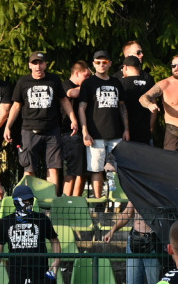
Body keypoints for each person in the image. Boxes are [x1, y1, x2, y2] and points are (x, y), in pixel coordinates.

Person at [4, 51, 78, 186]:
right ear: (29, 65)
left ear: (45, 65)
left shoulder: (54, 80)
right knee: (29, 169)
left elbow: (64, 100)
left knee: (53, 168)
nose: (38, 66)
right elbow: (16, 106)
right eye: (35, 63)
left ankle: (50, 204)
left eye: (41, 63)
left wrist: (73, 119)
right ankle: (29, 203)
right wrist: (8, 127)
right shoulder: (23, 82)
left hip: (52, 131)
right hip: (29, 131)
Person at [77, 50, 129, 201]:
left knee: (117, 169)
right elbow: (81, 108)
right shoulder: (88, 83)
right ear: (93, 64)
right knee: (96, 169)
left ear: (110, 64)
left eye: (104, 62)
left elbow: (122, 107)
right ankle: (99, 201)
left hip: (117, 134)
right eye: (98, 62)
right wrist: (85, 131)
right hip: (95, 134)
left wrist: (126, 129)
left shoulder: (116, 82)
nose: (101, 65)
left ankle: (118, 201)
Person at [140, 55, 178, 151]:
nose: (176, 68)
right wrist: (149, 105)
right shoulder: (165, 84)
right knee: (171, 164)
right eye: (173, 66)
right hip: (173, 134)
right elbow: (143, 98)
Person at [102, 202, 161, 284]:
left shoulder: (155, 193)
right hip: (135, 238)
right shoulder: (135, 190)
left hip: (154, 239)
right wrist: (112, 231)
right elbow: (127, 213)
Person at [60, 62, 91, 197]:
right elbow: (71, 93)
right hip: (69, 133)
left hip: (84, 133)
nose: (88, 78)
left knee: (83, 171)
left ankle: (76, 202)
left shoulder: (85, 87)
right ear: (77, 73)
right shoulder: (66, 84)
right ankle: (65, 203)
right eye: (86, 75)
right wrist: (89, 85)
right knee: (72, 171)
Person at [120, 55, 156, 146]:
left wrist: (125, 129)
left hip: (127, 132)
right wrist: (151, 127)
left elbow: (121, 108)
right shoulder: (149, 81)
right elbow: (154, 107)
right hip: (145, 131)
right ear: (139, 67)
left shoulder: (121, 83)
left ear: (125, 67)